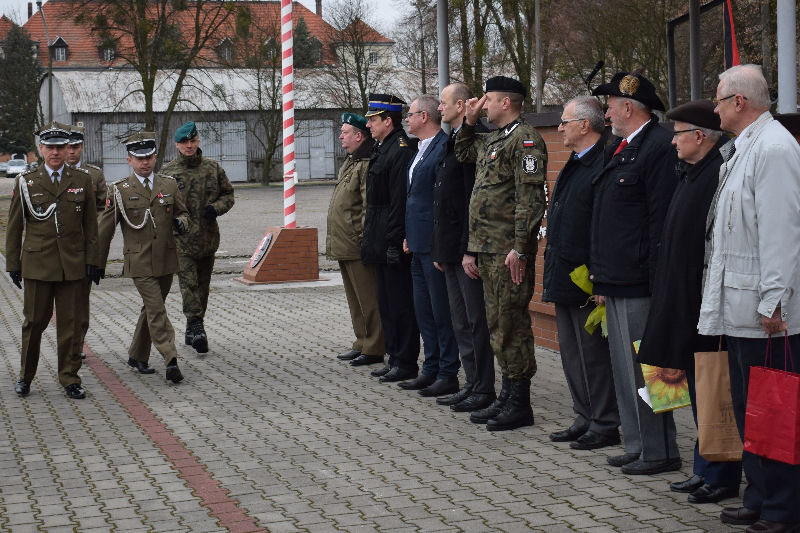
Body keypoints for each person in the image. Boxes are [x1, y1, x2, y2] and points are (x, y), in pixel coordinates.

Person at [699, 64, 800, 533]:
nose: (715, 109)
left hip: (767, 314)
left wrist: (774, 300)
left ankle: (783, 509)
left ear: (739, 101)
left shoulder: (775, 148)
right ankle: (758, 497)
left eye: (719, 100)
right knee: (749, 409)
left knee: (774, 411)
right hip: (742, 308)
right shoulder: (745, 148)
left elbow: (783, 232)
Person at [638, 99, 742, 503]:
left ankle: (721, 475)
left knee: (714, 390)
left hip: (704, 306)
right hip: (682, 303)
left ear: (700, 136)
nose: (672, 142)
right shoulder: (691, 173)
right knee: (698, 389)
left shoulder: (717, 175)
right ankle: (704, 468)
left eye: (678, 134)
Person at [590, 71, 681, 474]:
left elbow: (660, 222)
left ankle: (661, 450)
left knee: (653, 369)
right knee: (627, 371)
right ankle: (638, 443)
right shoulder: (621, 147)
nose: (607, 113)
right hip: (617, 278)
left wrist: (660, 284)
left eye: (610, 106)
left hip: (642, 281)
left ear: (628, 107)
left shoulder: (659, 146)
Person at [455, 76, 547, 431]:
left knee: (512, 324)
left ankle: (519, 402)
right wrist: (469, 121)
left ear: (506, 103)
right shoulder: (495, 138)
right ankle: (507, 395)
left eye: (488, 99)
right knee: (497, 324)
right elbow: (463, 152)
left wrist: (521, 249)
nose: (484, 105)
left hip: (508, 251)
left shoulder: (525, 140)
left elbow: (530, 199)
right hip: (489, 249)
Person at [542, 96, 620, 450]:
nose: (559, 127)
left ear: (585, 125)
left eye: (565, 121)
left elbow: (603, 226)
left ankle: (604, 422)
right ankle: (584, 416)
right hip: (564, 273)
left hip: (587, 280)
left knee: (593, 357)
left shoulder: (603, 161)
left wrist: (600, 275)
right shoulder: (575, 161)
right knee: (572, 354)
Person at [6, 122, 101, 399]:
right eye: (50, 147)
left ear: (67, 147)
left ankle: (70, 377)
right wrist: (13, 264)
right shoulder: (26, 181)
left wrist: (93, 260)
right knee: (34, 322)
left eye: (60, 147)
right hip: (38, 265)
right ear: (41, 149)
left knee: (71, 325)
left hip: (72, 265)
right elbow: (14, 226)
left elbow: (90, 226)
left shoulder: (81, 180)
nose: (56, 152)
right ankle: (25, 376)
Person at [98, 132, 190, 383]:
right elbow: (104, 230)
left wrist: (181, 223)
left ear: (155, 157)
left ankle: (137, 356)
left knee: (150, 308)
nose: (145, 162)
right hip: (138, 261)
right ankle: (170, 358)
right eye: (139, 158)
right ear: (129, 160)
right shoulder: (119, 190)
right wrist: (96, 263)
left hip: (166, 259)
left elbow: (183, 213)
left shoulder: (168, 185)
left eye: (148, 157)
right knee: (157, 310)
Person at [431, 82, 496, 413]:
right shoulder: (453, 139)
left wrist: (469, 249)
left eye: (443, 102)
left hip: (467, 248)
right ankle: (471, 383)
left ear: (461, 105)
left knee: (475, 321)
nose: (439, 108)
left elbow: (474, 198)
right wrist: (442, 251)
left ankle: (484, 387)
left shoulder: (476, 139)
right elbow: (444, 202)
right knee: (460, 321)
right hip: (451, 248)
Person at [398, 94, 460, 397]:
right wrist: (409, 234)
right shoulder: (420, 149)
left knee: (440, 312)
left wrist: (438, 243)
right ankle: (431, 367)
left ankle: (448, 372)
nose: (407, 120)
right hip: (418, 243)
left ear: (424, 116)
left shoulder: (442, 147)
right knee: (424, 311)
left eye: (410, 115)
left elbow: (442, 201)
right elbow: (415, 198)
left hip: (434, 246)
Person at [160, 121, 235, 354]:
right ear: (176, 145)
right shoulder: (168, 172)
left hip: (207, 239)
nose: (189, 146)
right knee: (188, 284)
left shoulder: (212, 168)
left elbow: (228, 195)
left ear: (198, 142)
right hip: (181, 241)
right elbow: (160, 204)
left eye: (192, 141)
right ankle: (196, 325)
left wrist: (216, 208)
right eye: (184, 142)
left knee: (202, 287)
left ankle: (191, 328)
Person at [361, 93, 420, 381]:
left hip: (391, 241)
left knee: (400, 305)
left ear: (388, 121)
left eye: (373, 119)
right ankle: (394, 356)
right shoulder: (382, 148)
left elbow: (398, 202)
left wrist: (394, 243)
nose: (368, 124)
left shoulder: (400, 150)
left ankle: (406, 361)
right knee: (386, 303)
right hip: (380, 238)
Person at [325, 113, 385, 364]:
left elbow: (366, 206)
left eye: (345, 132)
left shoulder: (366, 162)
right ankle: (361, 340)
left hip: (356, 243)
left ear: (359, 136)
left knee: (368, 298)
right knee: (355, 299)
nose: (340, 136)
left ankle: (374, 347)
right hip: (345, 243)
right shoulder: (352, 161)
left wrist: (362, 238)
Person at [66, 123, 108, 360]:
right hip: (59, 248)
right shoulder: (52, 173)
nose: (71, 151)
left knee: (81, 299)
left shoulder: (94, 175)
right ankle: (66, 342)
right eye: (68, 146)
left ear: (82, 147)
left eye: (76, 146)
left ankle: (77, 342)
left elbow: (104, 209)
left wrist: (94, 234)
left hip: (84, 248)